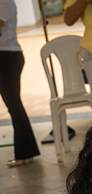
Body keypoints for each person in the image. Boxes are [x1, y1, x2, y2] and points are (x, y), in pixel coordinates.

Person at [0, 0, 40, 167]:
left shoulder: (5, 2)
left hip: (7, 57)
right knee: (13, 105)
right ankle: (27, 152)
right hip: (5, 56)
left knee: (14, 105)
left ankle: (25, 153)